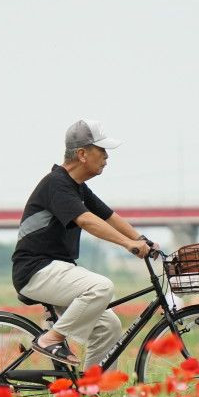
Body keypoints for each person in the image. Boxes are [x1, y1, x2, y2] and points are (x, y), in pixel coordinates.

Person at [11, 119, 157, 368]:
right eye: (102, 150)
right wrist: (127, 244)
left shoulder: (77, 187)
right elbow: (87, 220)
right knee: (101, 287)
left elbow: (108, 216)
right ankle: (51, 339)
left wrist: (141, 240)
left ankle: (93, 387)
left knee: (109, 326)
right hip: (36, 270)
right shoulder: (56, 183)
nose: (107, 157)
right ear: (82, 154)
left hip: (57, 270)